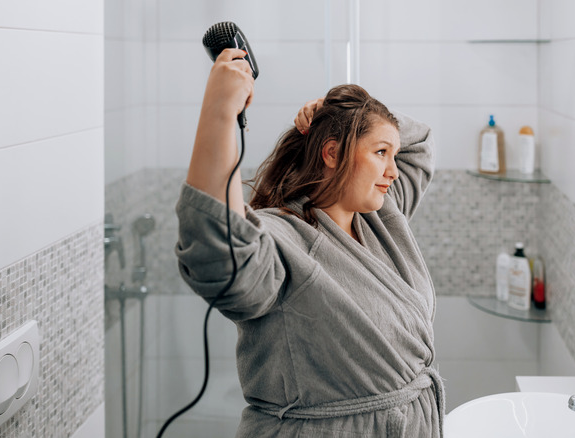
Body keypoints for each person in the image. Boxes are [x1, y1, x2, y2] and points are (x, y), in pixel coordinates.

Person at [175, 48, 444, 437]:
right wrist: (220, 114)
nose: (392, 171)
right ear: (332, 152)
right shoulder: (281, 237)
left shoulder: (381, 217)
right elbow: (221, 255)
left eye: (393, 155)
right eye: (381, 153)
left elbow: (420, 145)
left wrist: (344, 116)